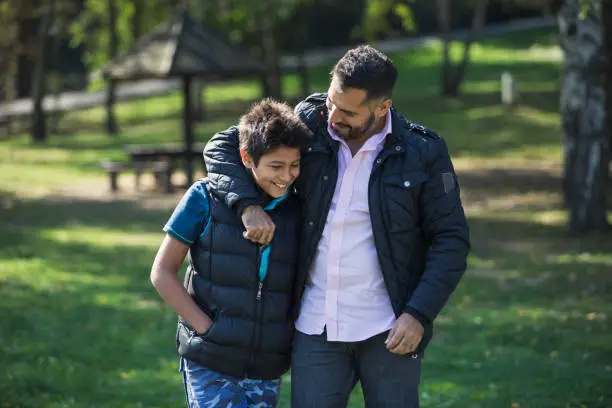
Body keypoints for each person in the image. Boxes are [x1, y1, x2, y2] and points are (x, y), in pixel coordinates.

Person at [203, 45, 470, 408]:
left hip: (390, 327)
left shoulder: (424, 152)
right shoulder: (310, 120)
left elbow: (451, 240)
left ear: (382, 107)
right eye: (331, 101)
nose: (333, 115)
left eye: (347, 111)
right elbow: (222, 146)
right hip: (315, 326)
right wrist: (247, 205)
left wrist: (418, 314)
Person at [150, 99, 312, 408]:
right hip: (210, 360)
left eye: (295, 165)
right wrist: (206, 329)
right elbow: (162, 272)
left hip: (267, 367)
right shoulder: (204, 197)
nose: (287, 176)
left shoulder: (297, 209)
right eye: (276, 166)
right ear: (246, 158)